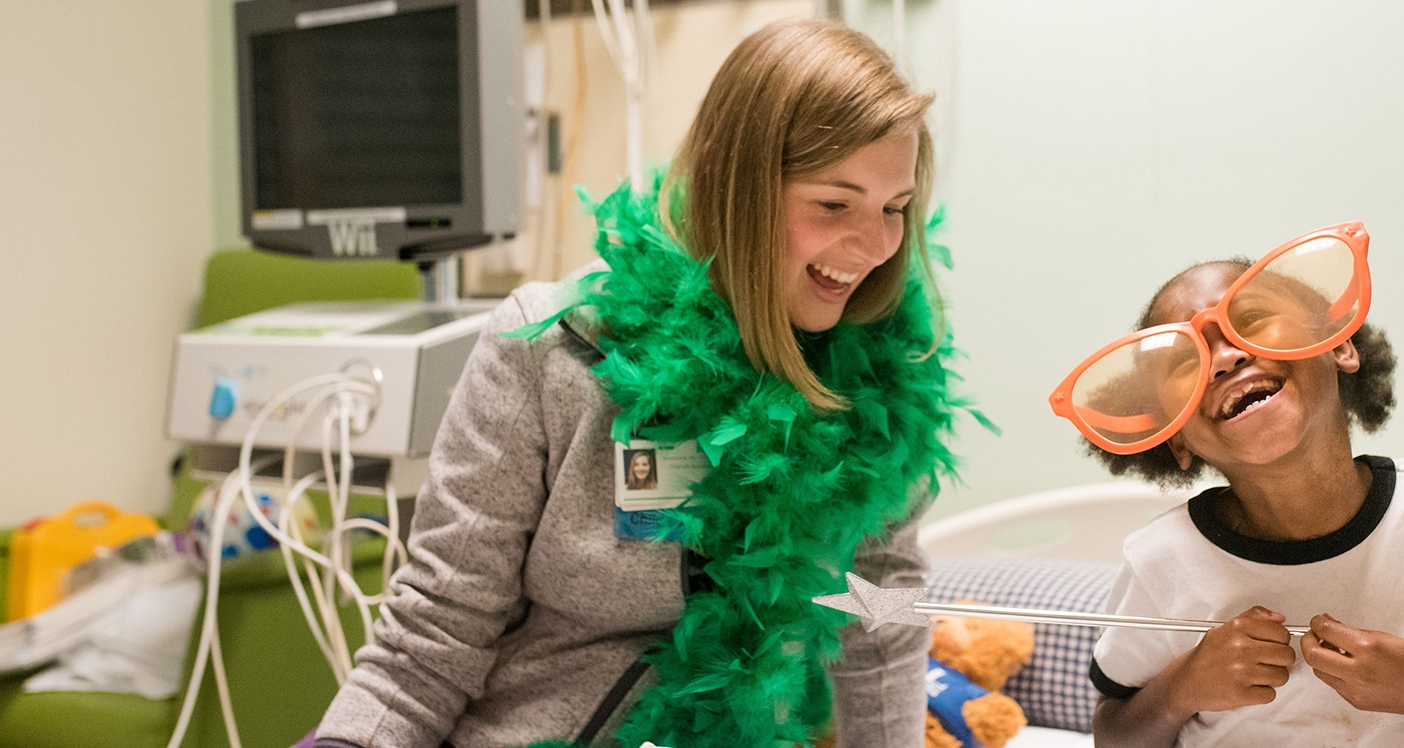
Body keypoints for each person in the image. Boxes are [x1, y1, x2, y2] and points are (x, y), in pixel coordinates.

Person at [310, 17, 968, 748]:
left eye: (895, 209)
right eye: (833, 205)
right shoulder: (552, 352)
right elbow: (432, 635)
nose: (876, 247)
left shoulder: (882, 388)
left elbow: (884, 612)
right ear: (726, 179)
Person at [1048, 221, 1404, 747]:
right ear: (1176, 439)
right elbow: (1114, 737)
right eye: (1182, 362)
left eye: (1254, 319)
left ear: (1338, 345)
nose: (1225, 358)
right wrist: (1183, 688)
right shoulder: (1161, 562)